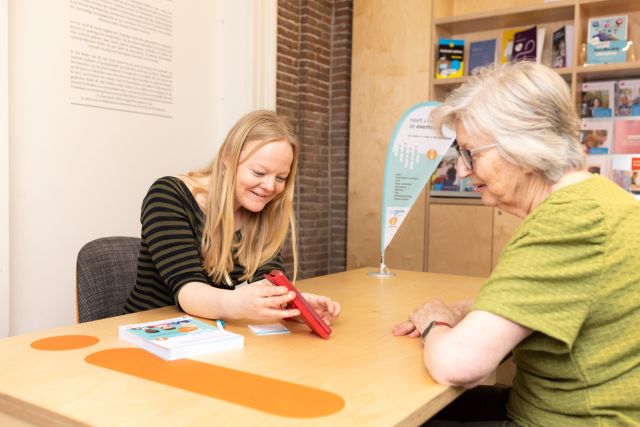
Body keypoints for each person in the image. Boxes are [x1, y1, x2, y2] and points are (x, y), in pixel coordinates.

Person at [393, 62, 640, 426]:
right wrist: (464, 311)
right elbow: (560, 296)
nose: (461, 170)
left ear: (523, 146)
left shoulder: (568, 221)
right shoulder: (602, 201)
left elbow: (458, 366)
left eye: (470, 154)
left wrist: (432, 322)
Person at [124, 110, 340, 325]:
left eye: (281, 178)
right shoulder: (168, 195)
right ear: (227, 157)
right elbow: (188, 291)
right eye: (259, 172)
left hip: (209, 330)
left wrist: (293, 304)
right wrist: (237, 304)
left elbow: (268, 280)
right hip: (150, 331)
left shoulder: (261, 209)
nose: (270, 187)